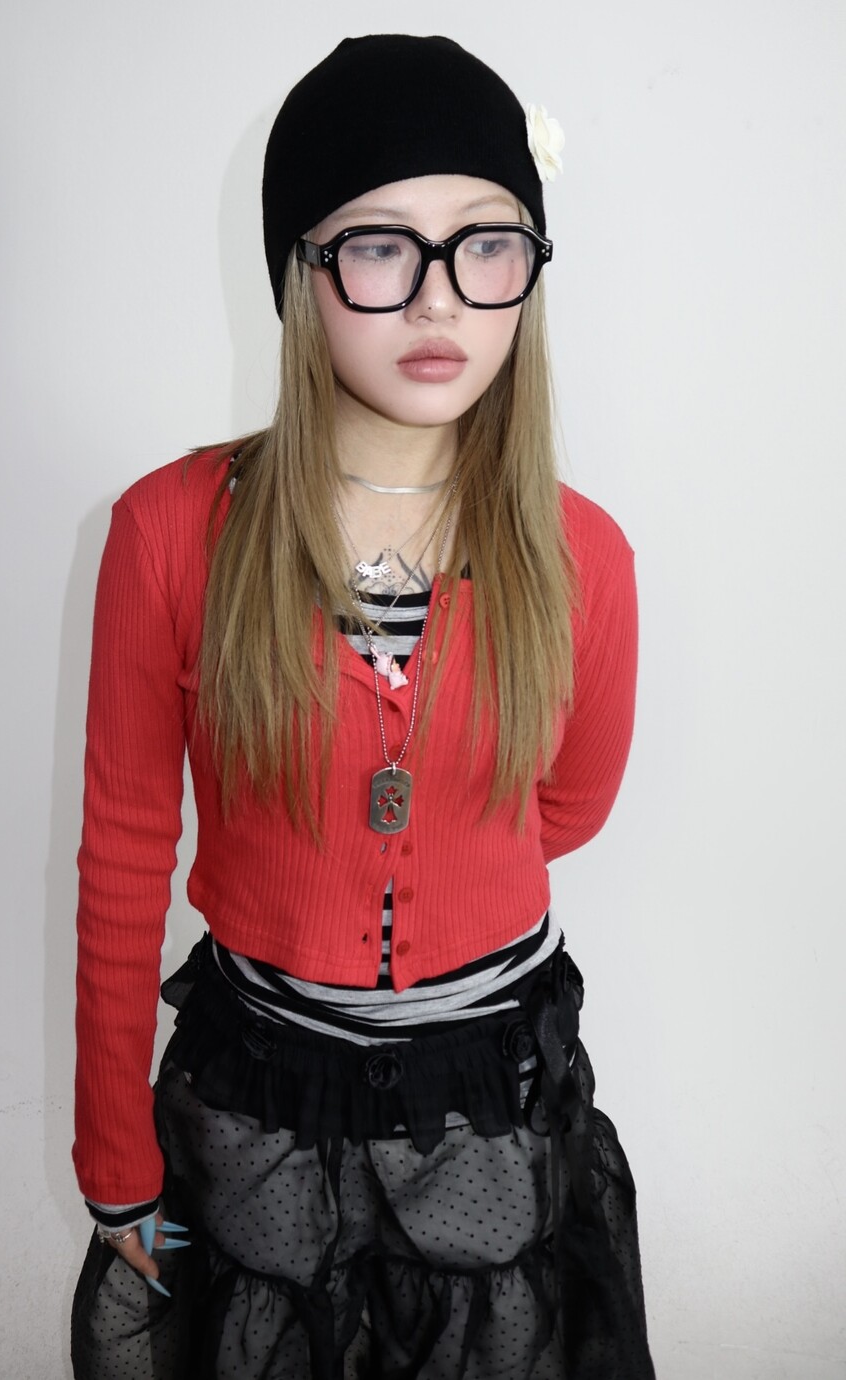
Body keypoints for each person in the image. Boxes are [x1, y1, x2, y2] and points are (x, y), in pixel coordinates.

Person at [70, 33, 655, 1380]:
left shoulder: (585, 557)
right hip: (256, 1106)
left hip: (491, 1107)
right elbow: (123, 856)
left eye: (487, 244)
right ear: (302, 273)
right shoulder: (171, 533)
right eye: (382, 247)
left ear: (530, 270)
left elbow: (567, 806)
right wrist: (113, 1154)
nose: (440, 299)